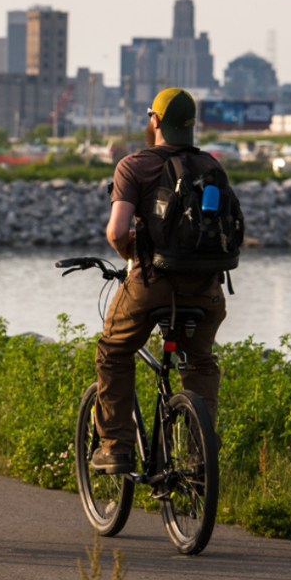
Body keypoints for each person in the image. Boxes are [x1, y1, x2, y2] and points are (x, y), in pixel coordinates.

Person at [92, 87, 228, 474]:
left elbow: (117, 232)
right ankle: (201, 455)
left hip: (153, 279)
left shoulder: (134, 165)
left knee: (113, 351)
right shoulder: (213, 167)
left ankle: (115, 448)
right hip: (206, 287)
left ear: (155, 121)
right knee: (199, 363)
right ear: (192, 123)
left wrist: (132, 258)